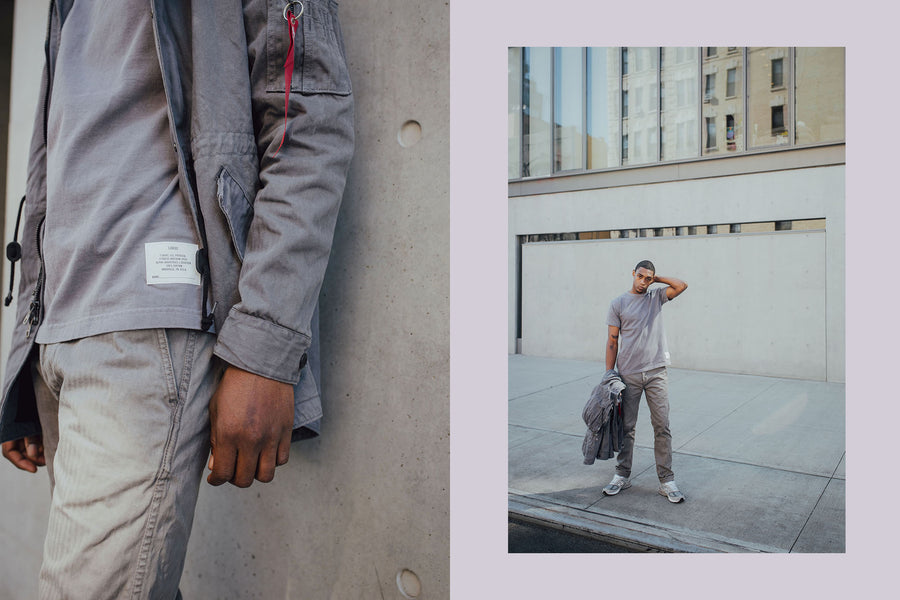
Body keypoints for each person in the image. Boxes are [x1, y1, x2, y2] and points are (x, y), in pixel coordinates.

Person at [0, 1, 354, 598]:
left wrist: (264, 348)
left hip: (149, 329)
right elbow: (55, 169)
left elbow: (307, 126)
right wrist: (24, 360)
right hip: (60, 331)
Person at [602, 260, 687, 503]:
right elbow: (611, 341)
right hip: (628, 373)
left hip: (656, 372)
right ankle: (622, 475)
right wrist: (609, 374)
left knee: (662, 426)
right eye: (640, 277)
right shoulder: (618, 303)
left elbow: (682, 285)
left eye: (647, 278)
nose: (643, 282)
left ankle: (666, 481)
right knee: (627, 428)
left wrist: (656, 279)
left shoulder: (656, 297)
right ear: (633, 274)